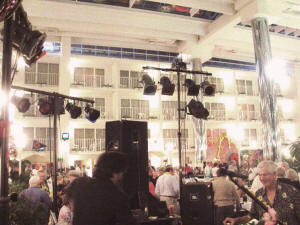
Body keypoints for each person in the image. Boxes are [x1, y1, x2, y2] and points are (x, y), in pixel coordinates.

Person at [223, 160, 300, 225]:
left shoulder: (291, 192)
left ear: (274, 175)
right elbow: (252, 215)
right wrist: (236, 220)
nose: (261, 178)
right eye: (259, 175)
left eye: (265, 175)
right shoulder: (258, 194)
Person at [72, 151, 137, 225]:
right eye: (123, 171)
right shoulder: (117, 195)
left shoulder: (81, 184)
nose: (122, 175)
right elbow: (128, 221)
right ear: (116, 171)